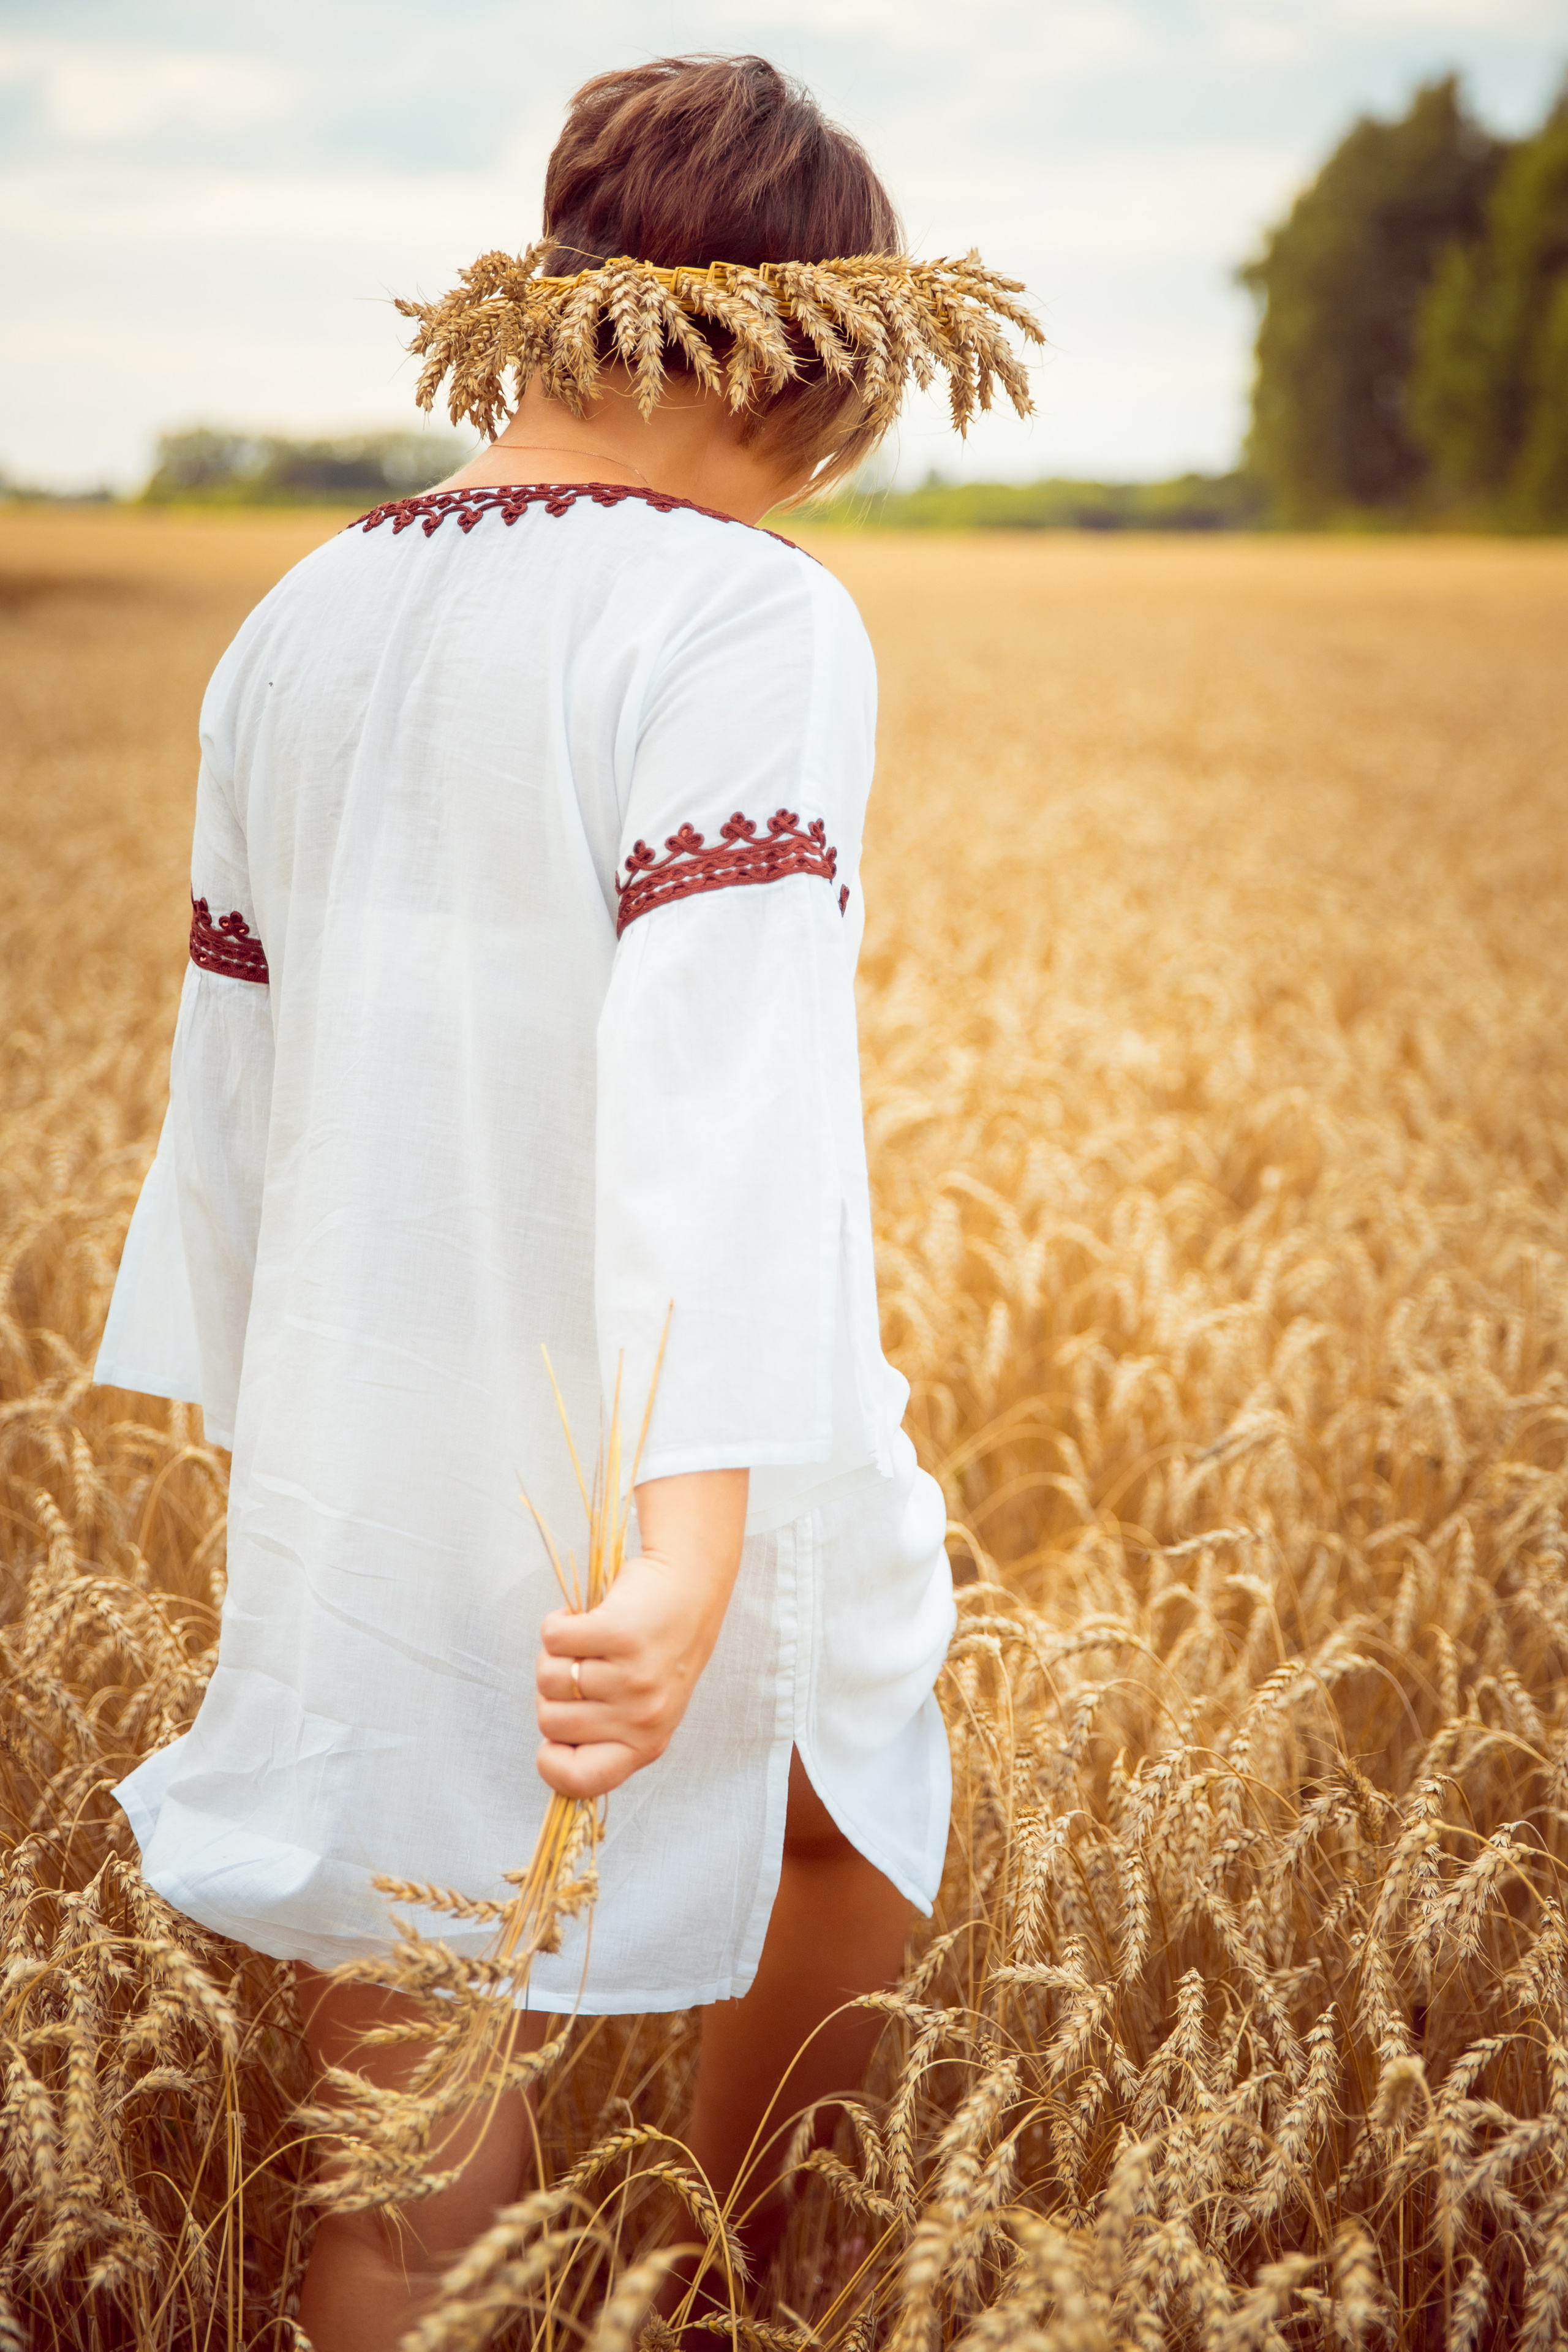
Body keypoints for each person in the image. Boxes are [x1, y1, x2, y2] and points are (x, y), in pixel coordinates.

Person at [94, 53, 1037, 2348]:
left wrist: (282, 1411)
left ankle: (690, 2284)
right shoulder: (744, 614)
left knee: (420, 2036)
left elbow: (240, 1060)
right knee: (855, 1788)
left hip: (374, 1381)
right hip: (690, 1397)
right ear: (805, 350)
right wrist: (695, 1517)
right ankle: (739, 2290)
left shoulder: (295, 617)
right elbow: (724, 1079)